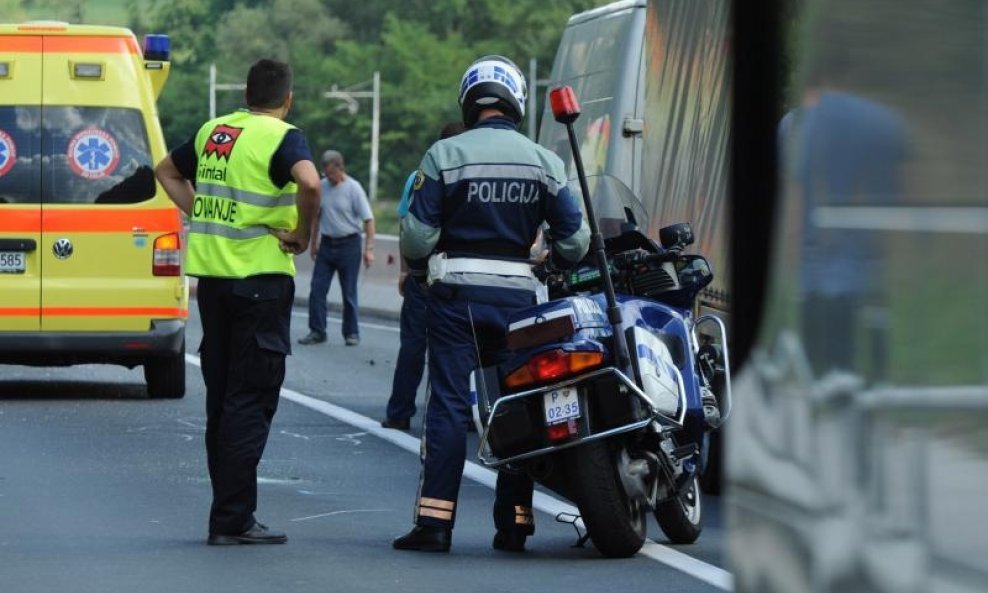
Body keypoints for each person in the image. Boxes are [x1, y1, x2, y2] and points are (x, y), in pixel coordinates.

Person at [392, 55, 590, 553]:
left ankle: (435, 524)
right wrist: (545, 257)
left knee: (449, 406)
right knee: (518, 406)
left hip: (455, 297)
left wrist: (421, 270)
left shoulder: (444, 154)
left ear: (468, 99)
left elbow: (417, 237)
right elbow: (575, 242)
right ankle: (515, 525)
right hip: (520, 304)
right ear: (516, 103)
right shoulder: (545, 161)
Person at [154, 58, 320, 545]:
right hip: (261, 282)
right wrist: (302, 233)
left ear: (246, 94)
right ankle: (232, 519)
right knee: (251, 399)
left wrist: (199, 211)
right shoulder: (283, 136)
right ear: (286, 100)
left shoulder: (213, 132)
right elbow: (310, 182)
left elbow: (166, 170)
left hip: (215, 287)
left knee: (224, 401)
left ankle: (228, 513)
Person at [381, 121, 466, 431]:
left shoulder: (419, 177)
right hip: (463, 274)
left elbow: (409, 228)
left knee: (414, 344)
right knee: (459, 347)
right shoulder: (473, 176)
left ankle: (399, 412)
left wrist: (406, 271)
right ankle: (459, 412)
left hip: (425, 272)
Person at [298, 150, 375, 346]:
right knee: (317, 289)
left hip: (349, 245)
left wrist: (369, 249)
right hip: (327, 245)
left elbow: (368, 220)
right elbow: (316, 216)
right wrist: (313, 243)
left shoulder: (353, 188)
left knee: (348, 292)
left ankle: (351, 332)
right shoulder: (322, 187)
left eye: (332, 173)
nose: (329, 178)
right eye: (326, 174)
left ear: (341, 168)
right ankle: (317, 330)